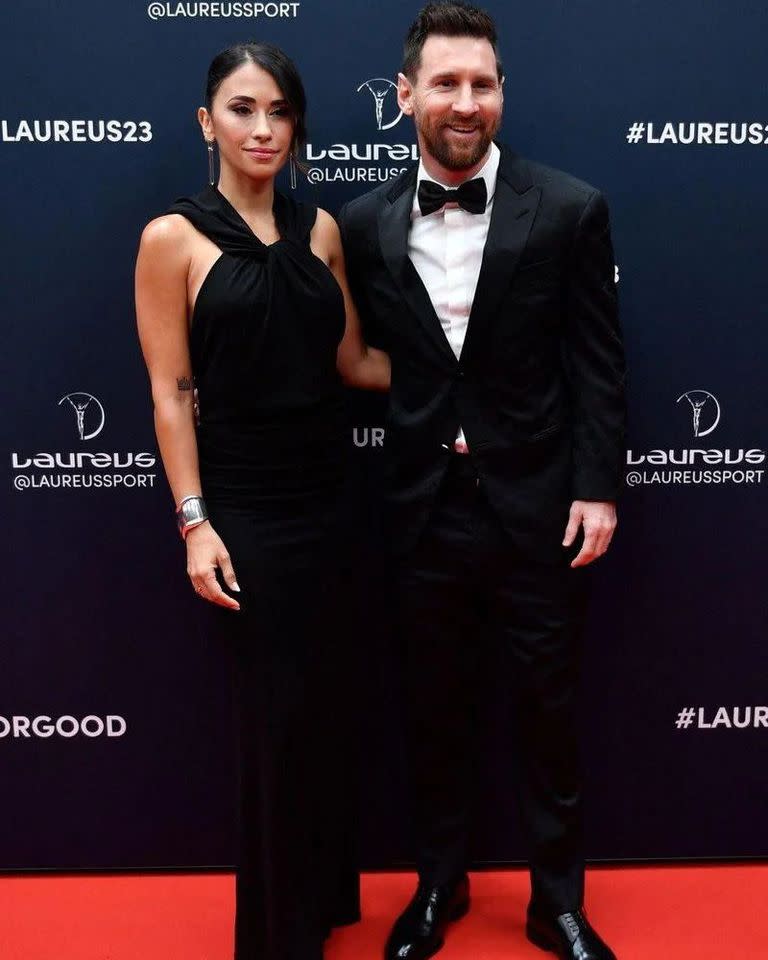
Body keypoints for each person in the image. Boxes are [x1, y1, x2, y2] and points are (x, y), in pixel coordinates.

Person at [339, 3, 626, 959]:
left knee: (548, 714)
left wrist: (597, 486)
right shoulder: (365, 224)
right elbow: (355, 358)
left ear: (502, 90)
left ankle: (559, 903)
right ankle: (438, 888)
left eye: (485, 83)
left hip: (540, 507)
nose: (468, 103)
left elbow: (597, 360)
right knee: (434, 714)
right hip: (421, 511)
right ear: (406, 94)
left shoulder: (573, 207)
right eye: (448, 83)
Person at [135, 41, 389, 960]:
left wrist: (472, 376)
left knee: (327, 712)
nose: (264, 128)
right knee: (273, 722)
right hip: (246, 513)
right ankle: (278, 936)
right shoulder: (172, 239)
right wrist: (194, 522)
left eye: (280, 111)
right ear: (208, 123)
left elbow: (355, 362)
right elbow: (170, 391)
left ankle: (318, 906)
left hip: (334, 503)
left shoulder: (321, 229)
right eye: (243, 109)